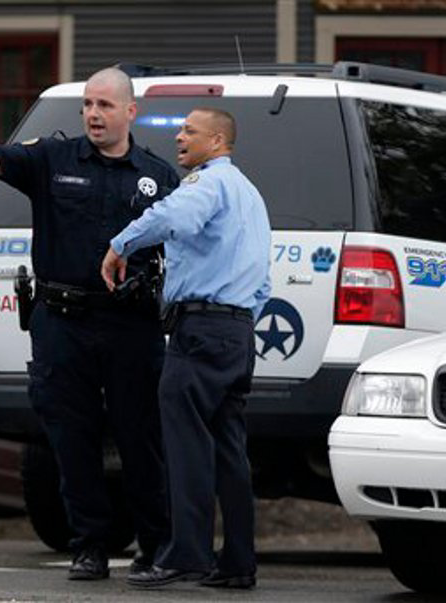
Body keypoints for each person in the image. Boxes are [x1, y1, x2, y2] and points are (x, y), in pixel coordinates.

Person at [0, 67, 179, 581]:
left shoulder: (157, 176)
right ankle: (89, 545)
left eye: (105, 106)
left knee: (142, 438)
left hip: (129, 325)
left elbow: (185, 245)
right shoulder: (54, 158)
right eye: (88, 105)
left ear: (129, 112)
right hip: (63, 321)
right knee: (71, 438)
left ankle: (155, 544)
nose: (93, 114)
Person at [101, 107, 271, 590]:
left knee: (185, 444)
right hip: (237, 333)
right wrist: (237, 324)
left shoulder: (207, 185)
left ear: (217, 141)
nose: (179, 137)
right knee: (228, 450)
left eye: (190, 131)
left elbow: (174, 216)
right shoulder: (251, 196)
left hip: (200, 331)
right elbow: (261, 280)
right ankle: (238, 561)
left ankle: (187, 555)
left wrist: (121, 244)